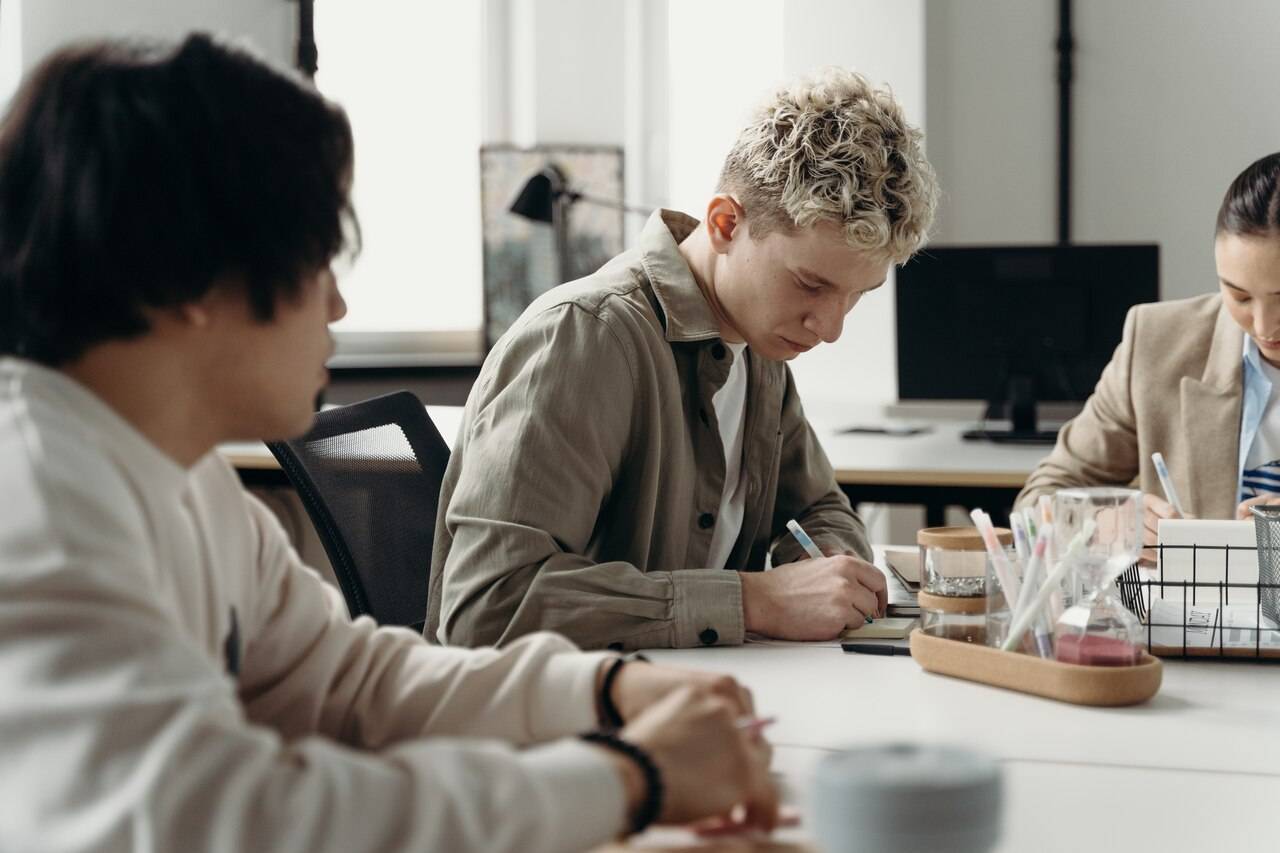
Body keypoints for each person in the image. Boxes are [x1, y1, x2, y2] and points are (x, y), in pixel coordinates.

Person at [0, 34, 778, 852]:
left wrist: (608, 690)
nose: (336, 306)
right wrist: (629, 778)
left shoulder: (178, 475)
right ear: (192, 275)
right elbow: (219, 819)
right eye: (317, 259)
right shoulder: (41, 497)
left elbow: (349, 679)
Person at [428, 67, 939, 649]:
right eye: (810, 284)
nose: (829, 329)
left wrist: (832, 571)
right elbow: (488, 604)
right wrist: (754, 600)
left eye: (856, 296)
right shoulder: (584, 339)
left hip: (692, 693)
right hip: (557, 718)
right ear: (725, 224)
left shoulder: (760, 344)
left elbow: (818, 504)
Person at [1016, 152, 1280, 559]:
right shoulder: (1158, 343)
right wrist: (1105, 524)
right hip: (1195, 617)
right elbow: (1040, 500)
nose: (1264, 326)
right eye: (1239, 296)